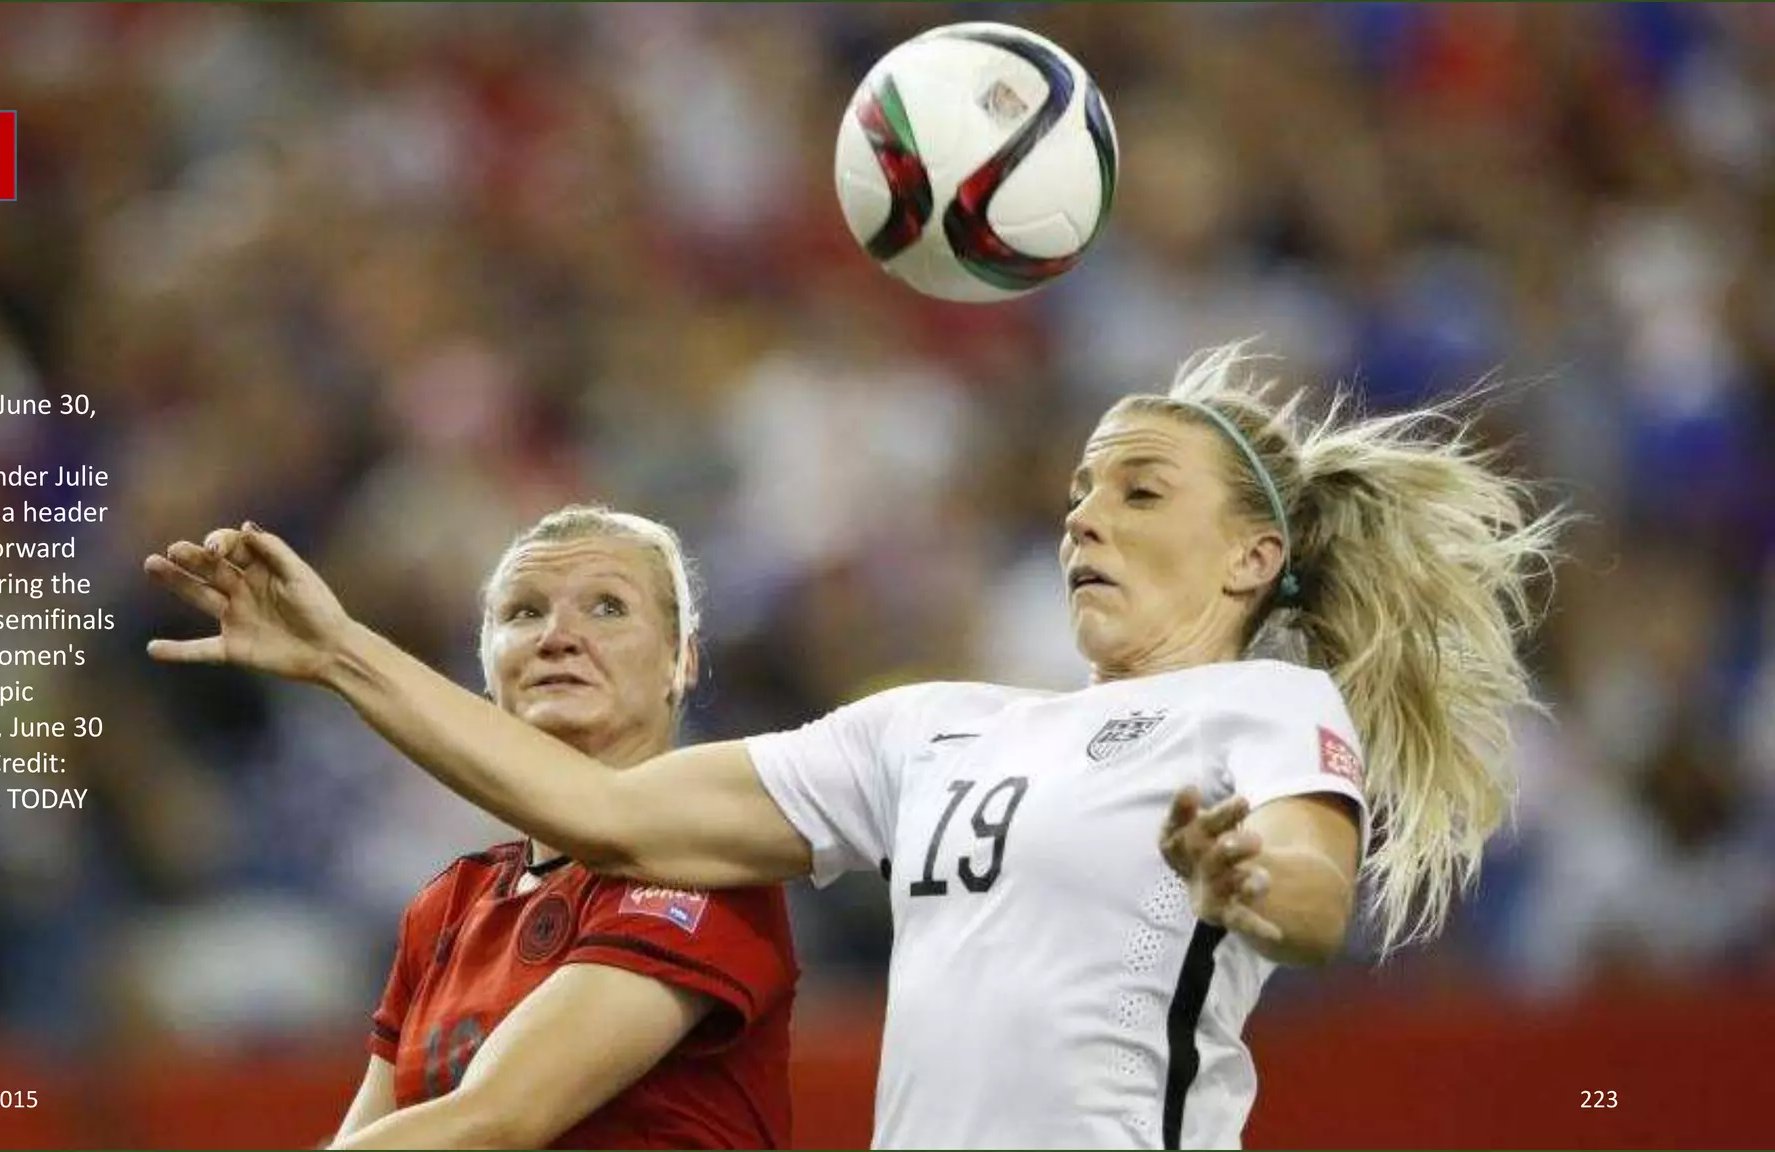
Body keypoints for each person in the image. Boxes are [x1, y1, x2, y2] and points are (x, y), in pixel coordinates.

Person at [147, 343, 1563, 1149]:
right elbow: (598, 808)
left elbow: (1316, 897)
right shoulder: (936, 726)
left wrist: (1245, 872)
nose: (1084, 518)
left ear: (1257, 555)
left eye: (1138, 491)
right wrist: (337, 651)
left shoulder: (1258, 710)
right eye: (1077, 493)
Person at [151, 506, 797, 1149]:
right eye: (524, 612)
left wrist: (339, 651)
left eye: (607, 607)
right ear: (485, 671)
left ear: (680, 662)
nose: (558, 636)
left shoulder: (707, 869)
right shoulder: (449, 905)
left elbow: (495, 1121)